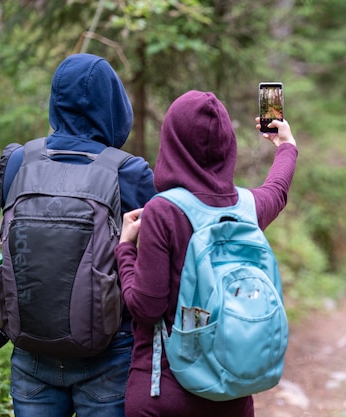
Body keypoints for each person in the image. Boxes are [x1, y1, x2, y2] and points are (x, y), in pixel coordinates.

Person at [115, 90, 298, 416]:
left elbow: (145, 306)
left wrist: (125, 249)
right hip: (232, 391)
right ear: (228, 145)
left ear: (170, 144)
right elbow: (277, 190)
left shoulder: (163, 211)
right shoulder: (247, 208)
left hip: (165, 393)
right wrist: (286, 145)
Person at [0, 53, 157, 417]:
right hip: (108, 352)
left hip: (30, 348)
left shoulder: (19, 161)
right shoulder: (129, 171)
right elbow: (154, 257)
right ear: (115, 105)